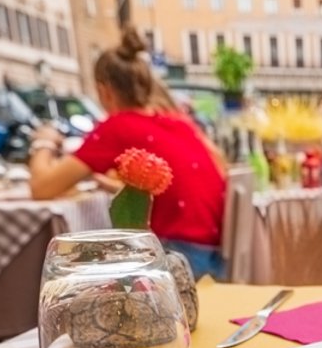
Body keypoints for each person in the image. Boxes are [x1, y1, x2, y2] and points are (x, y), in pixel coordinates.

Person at [28, 27, 227, 279]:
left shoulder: (117, 126)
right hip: (216, 258)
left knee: (83, 272)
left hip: (178, 259)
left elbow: (42, 187)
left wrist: (43, 143)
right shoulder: (177, 123)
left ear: (104, 90)